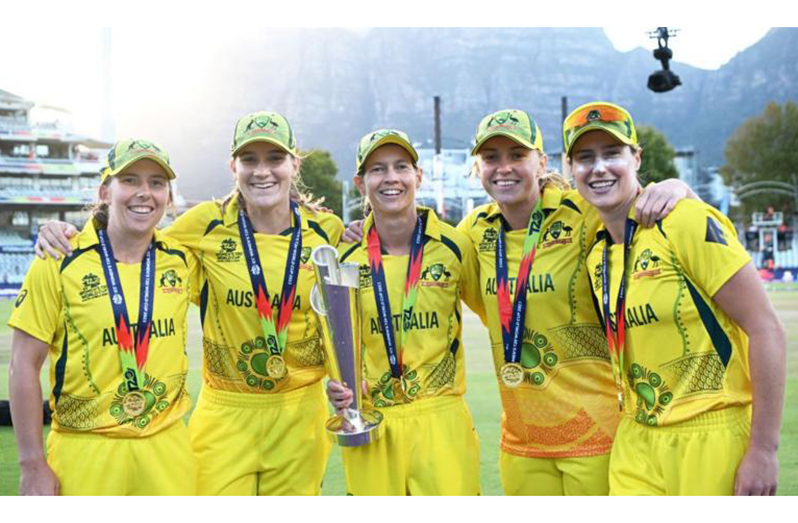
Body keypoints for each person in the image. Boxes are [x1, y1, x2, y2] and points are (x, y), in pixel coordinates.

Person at [33, 112, 344, 495]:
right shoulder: (202, 224)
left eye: (274, 158)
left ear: (294, 164)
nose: (262, 171)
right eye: (250, 160)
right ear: (234, 166)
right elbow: (134, 236)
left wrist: (366, 226)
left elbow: (343, 313)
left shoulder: (327, 232)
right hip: (226, 411)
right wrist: (67, 233)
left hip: (302, 412)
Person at [455, 109, 697, 495]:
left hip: (597, 432)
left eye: (517, 156)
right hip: (521, 441)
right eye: (491, 158)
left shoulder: (582, 210)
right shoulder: (472, 231)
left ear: (542, 162)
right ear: (478, 167)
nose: (504, 168)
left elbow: (643, 205)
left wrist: (676, 187)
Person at [565, 101, 786, 495]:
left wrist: (764, 449)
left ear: (636, 158)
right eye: (585, 158)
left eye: (612, 153)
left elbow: (766, 327)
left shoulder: (684, 221)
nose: (598, 168)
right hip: (636, 438)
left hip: (711, 434)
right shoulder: (597, 252)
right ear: (570, 170)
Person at [9, 139, 197, 495]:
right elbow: (23, 363)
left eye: (157, 183)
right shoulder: (59, 258)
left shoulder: (183, 259)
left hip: (167, 448)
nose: (145, 192)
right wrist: (32, 464)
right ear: (105, 191)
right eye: (130, 180)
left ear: (168, 198)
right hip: (85, 448)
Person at [327, 129, 482, 495]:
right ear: (360, 182)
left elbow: (494, 313)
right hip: (373, 423)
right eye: (377, 169)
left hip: (441, 420)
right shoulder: (343, 259)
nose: (391, 178)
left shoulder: (455, 246)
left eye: (401, 167)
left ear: (418, 175)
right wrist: (337, 385)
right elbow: (332, 343)